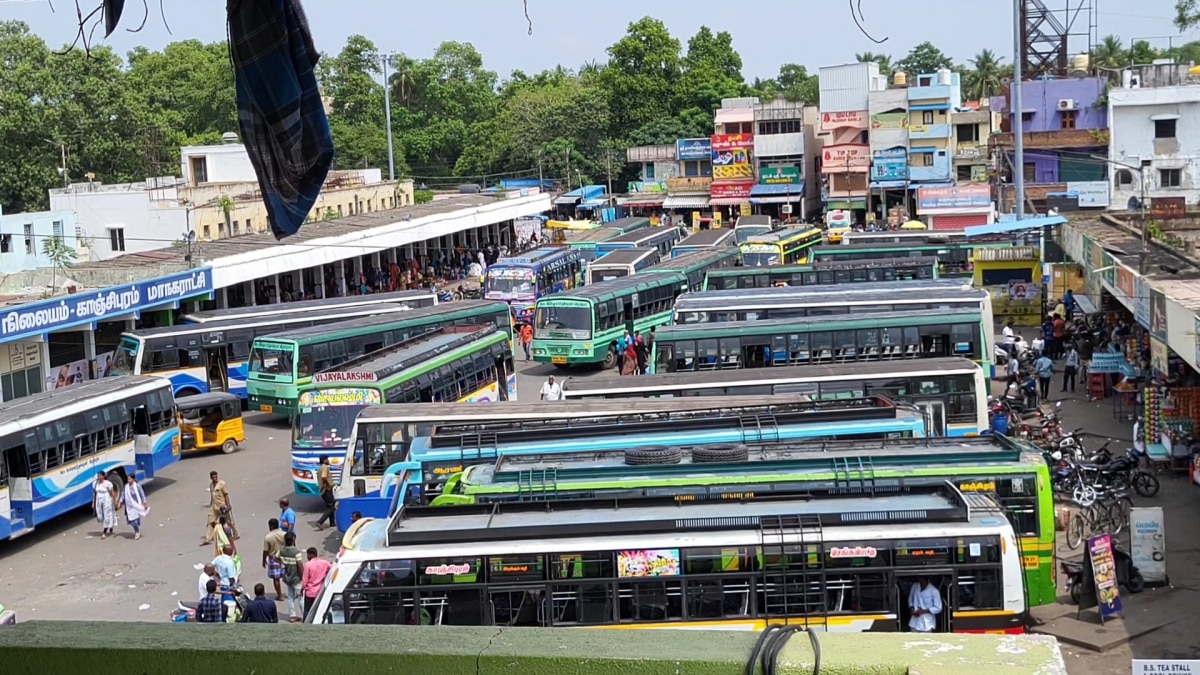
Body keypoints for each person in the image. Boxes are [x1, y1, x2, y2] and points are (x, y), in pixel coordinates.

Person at [279, 533, 306, 622]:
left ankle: (292, 616)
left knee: (290, 597)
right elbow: (300, 565)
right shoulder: (296, 552)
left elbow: (275, 557)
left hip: (287, 577)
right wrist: (302, 577)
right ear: (293, 539)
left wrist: (284, 563)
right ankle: (305, 615)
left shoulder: (282, 551)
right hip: (296, 578)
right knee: (301, 597)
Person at [205, 471, 238, 544]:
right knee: (210, 521)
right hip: (214, 506)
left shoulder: (222, 484)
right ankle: (208, 538)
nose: (215, 478)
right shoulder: (211, 485)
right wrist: (210, 504)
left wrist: (228, 505)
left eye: (216, 477)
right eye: (213, 477)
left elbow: (226, 495)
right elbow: (212, 496)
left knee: (228, 521)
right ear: (211, 478)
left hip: (222, 506)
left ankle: (236, 533)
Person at [302, 547, 333, 615]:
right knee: (318, 611)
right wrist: (325, 576)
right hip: (319, 591)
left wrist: (302, 589)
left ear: (311, 555)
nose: (307, 557)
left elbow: (305, 581)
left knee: (307, 611)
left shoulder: (308, 565)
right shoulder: (324, 563)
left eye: (307, 555)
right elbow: (332, 570)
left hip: (310, 593)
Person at [262, 518, 286, 601]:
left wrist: (263, 560)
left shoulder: (268, 537)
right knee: (289, 576)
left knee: (276, 578)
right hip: (285, 557)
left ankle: (280, 595)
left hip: (274, 559)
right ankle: (292, 594)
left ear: (271, 526)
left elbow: (265, 550)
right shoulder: (284, 534)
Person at [91, 471, 118, 540]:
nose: (99, 477)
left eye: (100, 476)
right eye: (98, 476)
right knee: (100, 515)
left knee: (107, 514)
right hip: (98, 500)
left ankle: (104, 532)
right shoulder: (95, 484)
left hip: (107, 499)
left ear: (103, 476)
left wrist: (115, 501)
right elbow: (94, 493)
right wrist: (93, 502)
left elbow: (112, 492)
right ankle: (110, 524)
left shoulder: (108, 484)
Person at [122, 474, 149, 540]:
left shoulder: (137, 486)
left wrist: (144, 502)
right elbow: (123, 495)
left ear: (133, 479)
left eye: (130, 479)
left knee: (136, 520)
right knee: (131, 521)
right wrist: (119, 502)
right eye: (128, 479)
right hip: (129, 506)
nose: (128, 480)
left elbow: (142, 494)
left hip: (136, 505)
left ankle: (137, 532)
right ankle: (136, 529)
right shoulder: (126, 487)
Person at [315, 457, 337, 531]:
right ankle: (320, 522)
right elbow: (324, 476)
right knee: (332, 507)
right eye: (327, 459)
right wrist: (330, 484)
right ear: (324, 460)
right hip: (326, 490)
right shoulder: (324, 467)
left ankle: (332, 523)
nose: (328, 461)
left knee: (330, 506)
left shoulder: (320, 468)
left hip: (323, 491)